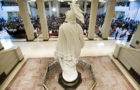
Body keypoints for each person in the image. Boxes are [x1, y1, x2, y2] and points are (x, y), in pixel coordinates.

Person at [55, 2, 84, 82]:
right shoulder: (78, 27)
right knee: (72, 64)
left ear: (68, 17)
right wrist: (78, 46)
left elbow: (60, 41)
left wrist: (58, 51)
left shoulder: (63, 27)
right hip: (75, 51)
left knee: (68, 63)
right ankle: (70, 74)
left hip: (66, 51)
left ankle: (68, 74)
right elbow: (82, 42)